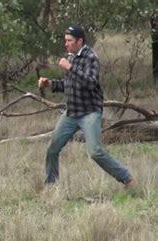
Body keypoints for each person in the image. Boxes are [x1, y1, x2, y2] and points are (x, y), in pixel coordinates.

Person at [37, 25, 137, 188]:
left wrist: (70, 68)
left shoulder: (91, 57)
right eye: (65, 40)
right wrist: (50, 83)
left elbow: (90, 83)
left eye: (69, 40)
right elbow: (70, 84)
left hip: (89, 112)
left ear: (80, 41)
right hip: (72, 112)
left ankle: (127, 179)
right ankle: (51, 185)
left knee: (95, 152)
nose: (66, 44)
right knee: (52, 149)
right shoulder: (71, 57)